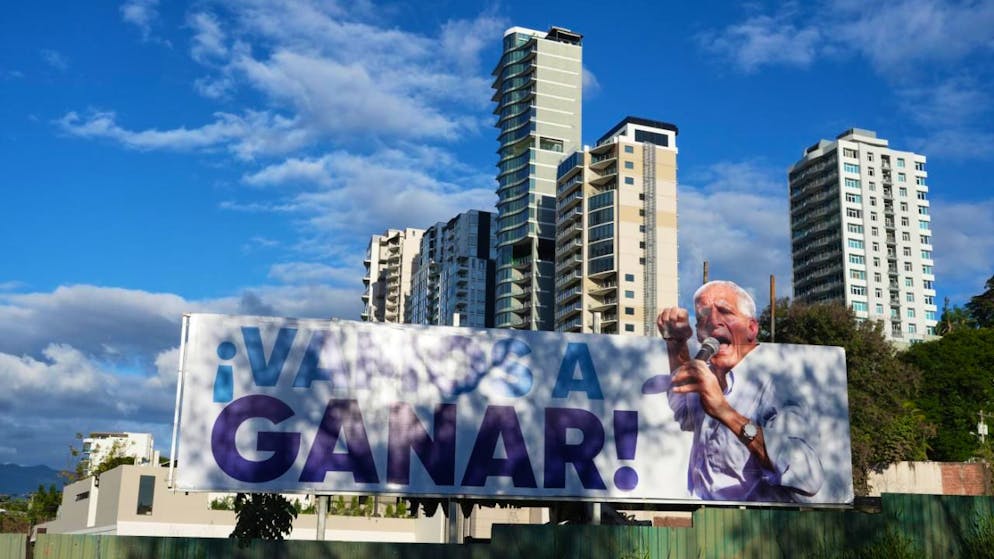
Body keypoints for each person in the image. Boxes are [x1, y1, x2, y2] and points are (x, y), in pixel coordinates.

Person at [656, 280, 824, 502]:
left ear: (752, 328)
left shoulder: (779, 381)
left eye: (725, 311)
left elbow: (807, 476)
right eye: (704, 316)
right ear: (698, 332)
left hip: (754, 528)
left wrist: (725, 412)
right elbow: (684, 414)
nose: (714, 321)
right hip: (704, 522)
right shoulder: (711, 374)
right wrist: (676, 344)